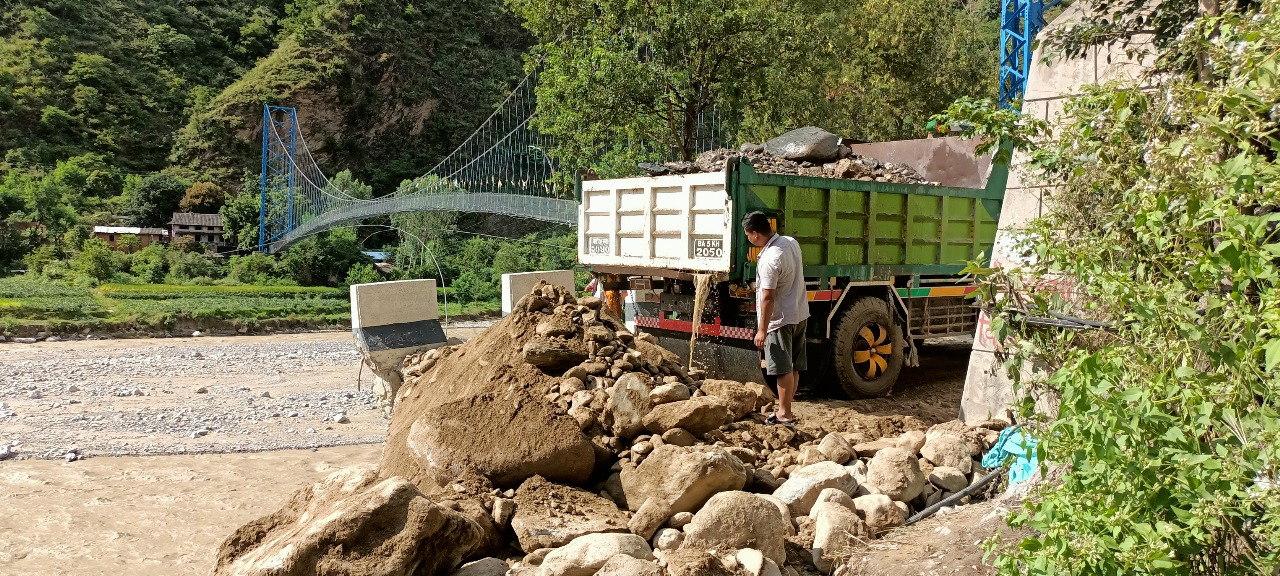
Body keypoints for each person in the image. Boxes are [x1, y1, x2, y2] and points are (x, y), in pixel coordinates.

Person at [742, 211, 809, 425]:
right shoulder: (791, 242)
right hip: (799, 313)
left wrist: (762, 330)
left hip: (780, 320)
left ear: (754, 234)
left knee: (782, 368)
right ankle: (785, 408)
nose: (749, 240)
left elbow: (768, 297)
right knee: (793, 366)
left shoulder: (770, 258)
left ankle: (784, 414)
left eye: (747, 236)